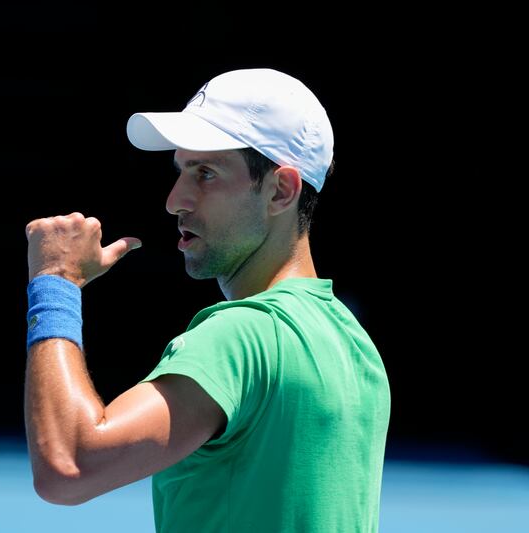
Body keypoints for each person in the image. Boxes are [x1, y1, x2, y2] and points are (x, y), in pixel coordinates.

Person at [23, 68, 390, 532]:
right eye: (181, 172)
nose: (176, 200)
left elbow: (68, 467)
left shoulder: (237, 336)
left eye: (206, 173)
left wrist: (55, 283)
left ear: (281, 190)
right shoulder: (354, 345)